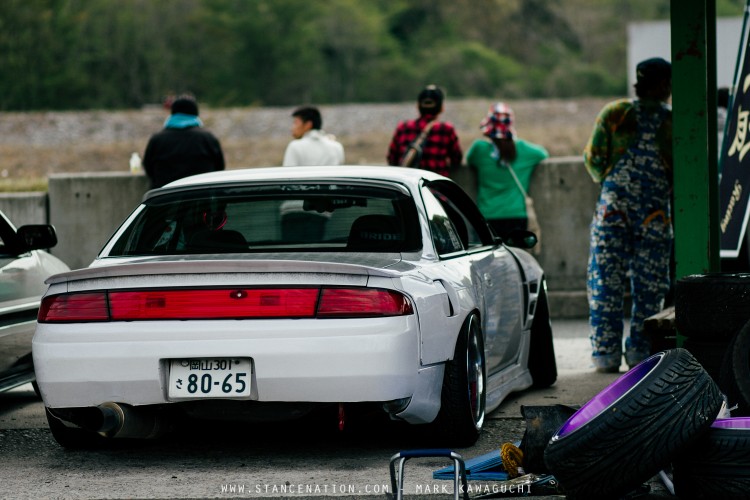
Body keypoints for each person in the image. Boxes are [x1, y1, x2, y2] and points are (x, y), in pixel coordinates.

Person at [584, 57, 673, 373]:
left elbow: (593, 160)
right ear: (665, 85)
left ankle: (605, 354)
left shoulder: (615, 113)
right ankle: (641, 354)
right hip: (655, 215)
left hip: (613, 212)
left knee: (605, 281)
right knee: (649, 286)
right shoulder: (671, 122)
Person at [466, 102, 549, 239]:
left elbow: (469, 160)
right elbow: (543, 154)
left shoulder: (479, 149)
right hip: (516, 216)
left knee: (487, 260)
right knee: (514, 258)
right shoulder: (524, 150)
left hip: (488, 216)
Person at [143, 94, 225, 189]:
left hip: (165, 196)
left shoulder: (157, 139)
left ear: (172, 114)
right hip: (201, 195)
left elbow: (148, 167)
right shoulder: (208, 138)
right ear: (195, 114)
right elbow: (219, 168)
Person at [387, 85, 463, 177]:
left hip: (409, 187)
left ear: (418, 106)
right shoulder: (446, 129)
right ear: (441, 107)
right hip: (435, 187)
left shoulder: (403, 127)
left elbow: (392, 159)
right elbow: (456, 159)